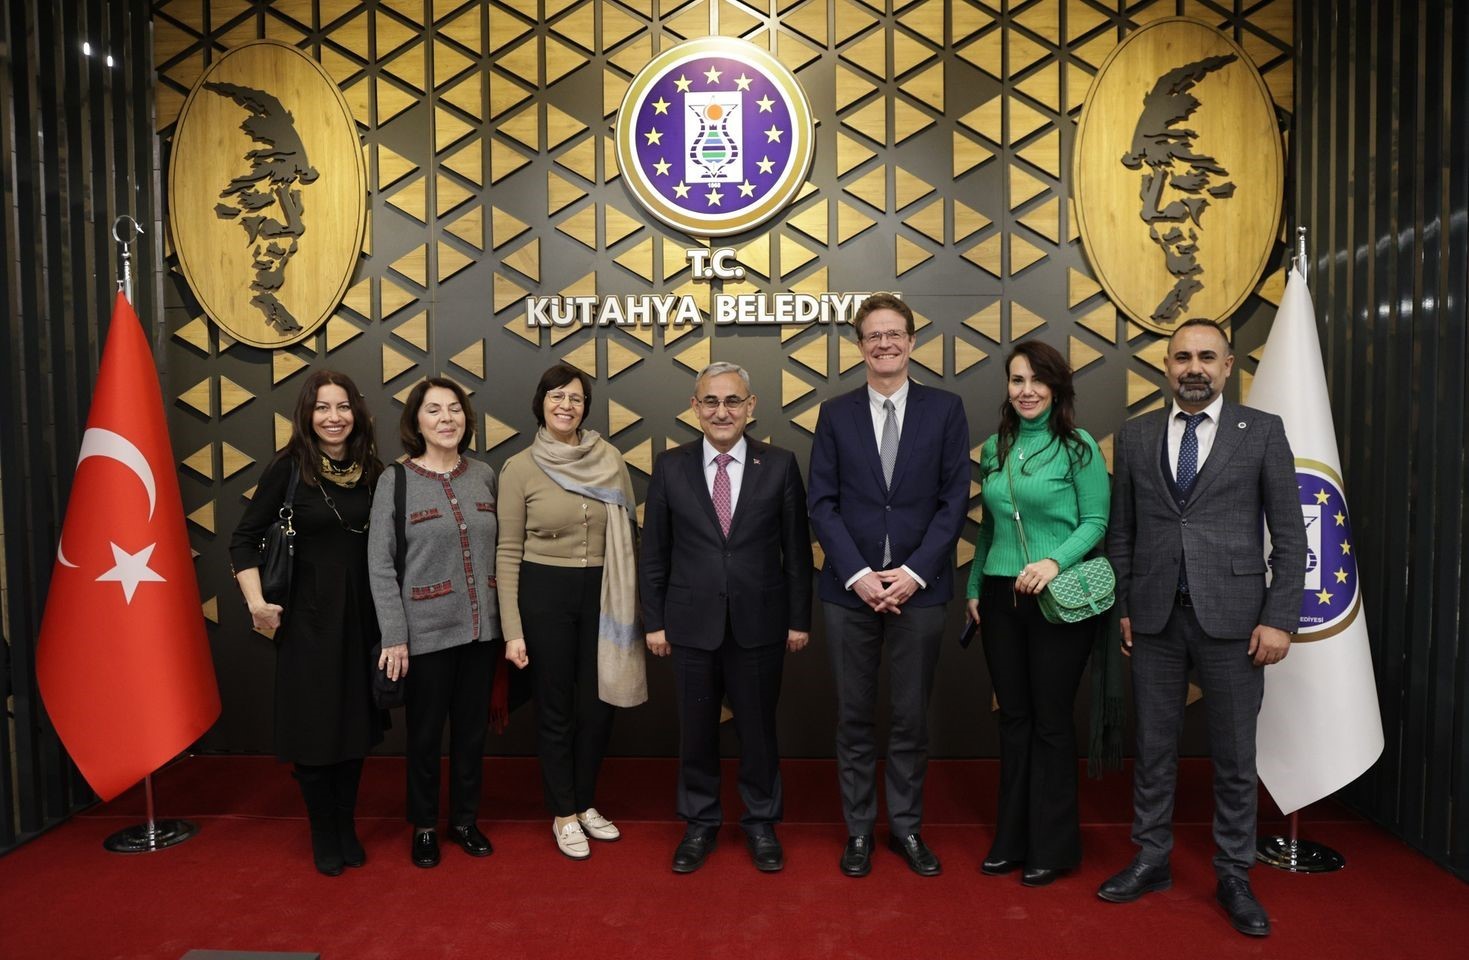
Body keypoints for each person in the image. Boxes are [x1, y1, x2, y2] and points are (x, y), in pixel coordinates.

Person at [1098, 318, 1305, 937]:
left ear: (1228, 366)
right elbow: (1123, 532)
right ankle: (1151, 859)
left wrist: (1279, 618)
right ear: (1166, 365)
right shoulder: (1136, 436)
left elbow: (1291, 536)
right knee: (1154, 749)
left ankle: (1234, 873)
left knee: (1235, 757)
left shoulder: (1262, 431)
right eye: (1183, 357)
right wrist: (1125, 605)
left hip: (1237, 622)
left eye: (1207, 357)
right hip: (1155, 619)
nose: (1194, 368)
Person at [807, 293, 969, 878]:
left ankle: (905, 828)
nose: (884, 344)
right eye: (873, 335)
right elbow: (822, 503)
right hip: (848, 592)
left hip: (919, 591)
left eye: (894, 333)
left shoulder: (945, 409)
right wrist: (857, 575)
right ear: (859, 346)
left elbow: (954, 501)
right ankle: (858, 831)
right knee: (853, 717)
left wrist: (913, 573)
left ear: (911, 341)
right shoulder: (835, 413)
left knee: (909, 718)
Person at [640, 362, 814, 874]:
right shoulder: (669, 466)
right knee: (696, 731)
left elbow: (797, 551)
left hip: (761, 623)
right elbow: (654, 552)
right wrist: (654, 621)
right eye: (711, 401)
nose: (722, 411)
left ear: (750, 406)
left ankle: (760, 822)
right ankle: (700, 823)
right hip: (689, 623)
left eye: (732, 401)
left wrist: (799, 619)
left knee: (758, 730)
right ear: (695, 407)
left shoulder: (779, 465)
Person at [964, 341, 1110, 887]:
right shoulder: (995, 449)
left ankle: (1053, 845)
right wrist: (975, 588)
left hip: (1059, 598)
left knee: (1050, 721)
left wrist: (1053, 562)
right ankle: (1012, 839)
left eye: (1037, 380)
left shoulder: (1078, 447)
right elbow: (991, 528)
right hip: (1000, 598)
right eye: (1017, 380)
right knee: (1014, 718)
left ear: (1056, 387)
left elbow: (1095, 521)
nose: (1026, 391)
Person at [230, 369, 384, 876]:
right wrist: (257, 603)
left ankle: (346, 824)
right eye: (322, 407)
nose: (333, 417)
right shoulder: (289, 468)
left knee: (354, 727)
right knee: (316, 730)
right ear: (307, 414)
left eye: (342, 406)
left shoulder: (373, 470)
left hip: (362, 616)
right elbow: (243, 540)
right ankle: (323, 830)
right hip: (308, 620)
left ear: (356, 412)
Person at [497, 363, 644, 860]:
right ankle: (563, 812)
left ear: (586, 407)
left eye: (576, 398)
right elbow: (507, 552)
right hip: (544, 593)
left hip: (605, 590)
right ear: (541, 403)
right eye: (557, 396)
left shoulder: (610, 459)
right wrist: (513, 630)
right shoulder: (519, 468)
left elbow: (629, 533)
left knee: (599, 705)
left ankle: (584, 802)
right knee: (556, 705)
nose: (566, 406)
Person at [367, 377, 501, 869]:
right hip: (424, 635)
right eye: (434, 410)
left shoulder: (484, 474)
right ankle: (424, 825)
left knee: (471, 735)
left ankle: (464, 820)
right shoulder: (396, 480)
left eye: (455, 409)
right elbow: (380, 563)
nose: (447, 418)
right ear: (416, 422)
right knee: (424, 737)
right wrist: (394, 636)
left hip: (482, 633)